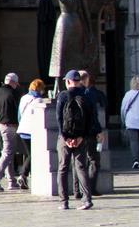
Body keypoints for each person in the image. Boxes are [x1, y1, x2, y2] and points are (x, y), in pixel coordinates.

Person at [55, 70, 97, 210]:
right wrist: (81, 137)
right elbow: (91, 120)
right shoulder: (86, 96)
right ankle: (87, 200)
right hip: (81, 138)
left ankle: (64, 201)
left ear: (67, 81)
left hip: (65, 138)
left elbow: (59, 118)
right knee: (81, 167)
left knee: (62, 168)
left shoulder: (63, 95)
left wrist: (65, 138)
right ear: (79, 81)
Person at [17, 79, 49, 188]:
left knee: (28, 154)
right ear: (39, 88)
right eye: (42, 88)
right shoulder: (39, 100)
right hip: (32, 131)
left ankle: (25, 177)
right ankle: (23, 175)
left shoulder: (24, 98)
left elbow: (19, 114)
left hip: (22, 129)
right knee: (33, 154)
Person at [78, 69, 107, 191]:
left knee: (78, 162)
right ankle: (90, 188)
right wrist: (99, 131)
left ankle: (77, 190)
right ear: (86, 80)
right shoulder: (90, 95)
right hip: (90, 132)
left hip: (76, 133)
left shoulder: (67, 94)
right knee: (94, 160)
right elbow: (94, 115)